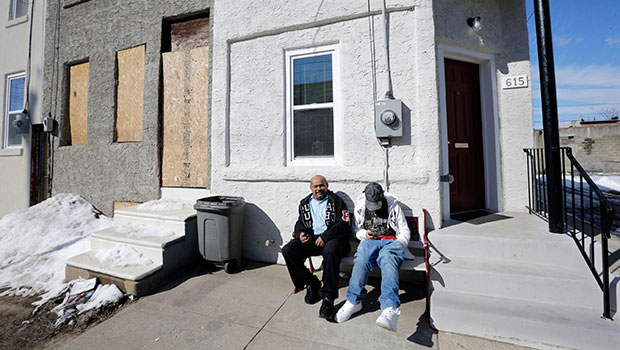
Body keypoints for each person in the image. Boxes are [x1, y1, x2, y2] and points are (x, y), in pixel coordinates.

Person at [334, 182, 411, 331]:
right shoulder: (361, 206)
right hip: (370, 241)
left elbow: (404, 231)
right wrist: (363, 234)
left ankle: (390, 309)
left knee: (389, 260)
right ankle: (353, 301)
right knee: (362, 258)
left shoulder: (393, 206)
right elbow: (356, 229)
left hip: (391, 242)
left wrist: (398, 244)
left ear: (382, 196)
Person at [281, 175, 351, 319]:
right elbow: (300, 222)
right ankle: (311, 282)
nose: (319, 189)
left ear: (326, 186)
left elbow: (344, 224)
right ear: (311, 188)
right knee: (288, 250)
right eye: (316, 186)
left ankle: (328, 299)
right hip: (312, 240)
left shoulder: (337, 202)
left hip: (333, 240)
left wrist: (325, 237)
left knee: (330, 251)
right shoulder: (305, 203)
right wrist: (301, 233)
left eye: (321, 185)